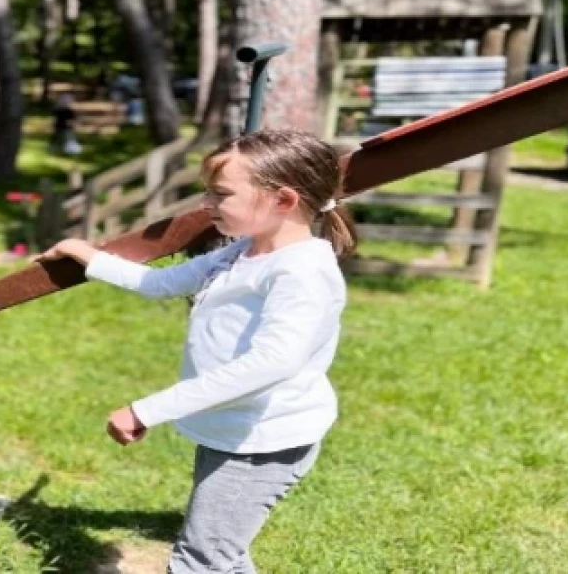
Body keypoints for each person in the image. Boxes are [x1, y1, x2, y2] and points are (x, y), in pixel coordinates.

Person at [33, 129, 358, 574]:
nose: (207, 203)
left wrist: (147, 409)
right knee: (224, 551)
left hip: (263, 441)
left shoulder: (301, 272)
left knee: (200, 560)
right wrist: (87, 256)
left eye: (220, 193)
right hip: (230, 429)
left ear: (283, 200)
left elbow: (271, 363)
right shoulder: (242, 252)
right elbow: (159, 283)